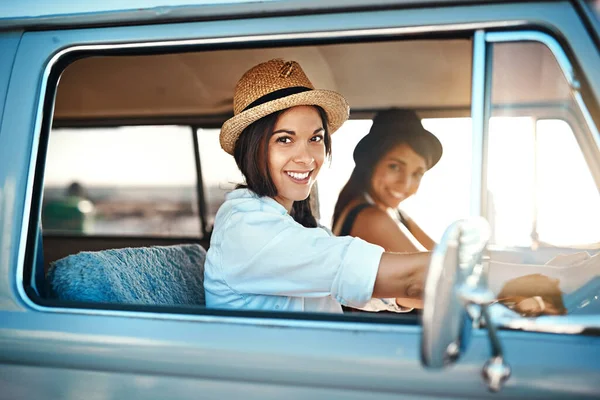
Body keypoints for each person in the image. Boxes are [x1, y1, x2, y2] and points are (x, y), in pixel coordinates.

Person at [203, 59, 430, 313]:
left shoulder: (295, 225)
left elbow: (385, 289)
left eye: (315, 138)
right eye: (285, 139)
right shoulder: (248, 229)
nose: (307, 158)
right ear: (252, 150)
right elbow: (399, 279)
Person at [332, 108, 442, 253]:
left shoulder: (398, 214)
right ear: (370, 164)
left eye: (416, 174)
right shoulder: (372, 219)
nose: (405, 183)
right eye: (394, 167)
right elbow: (437, 271)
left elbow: (443, 257)